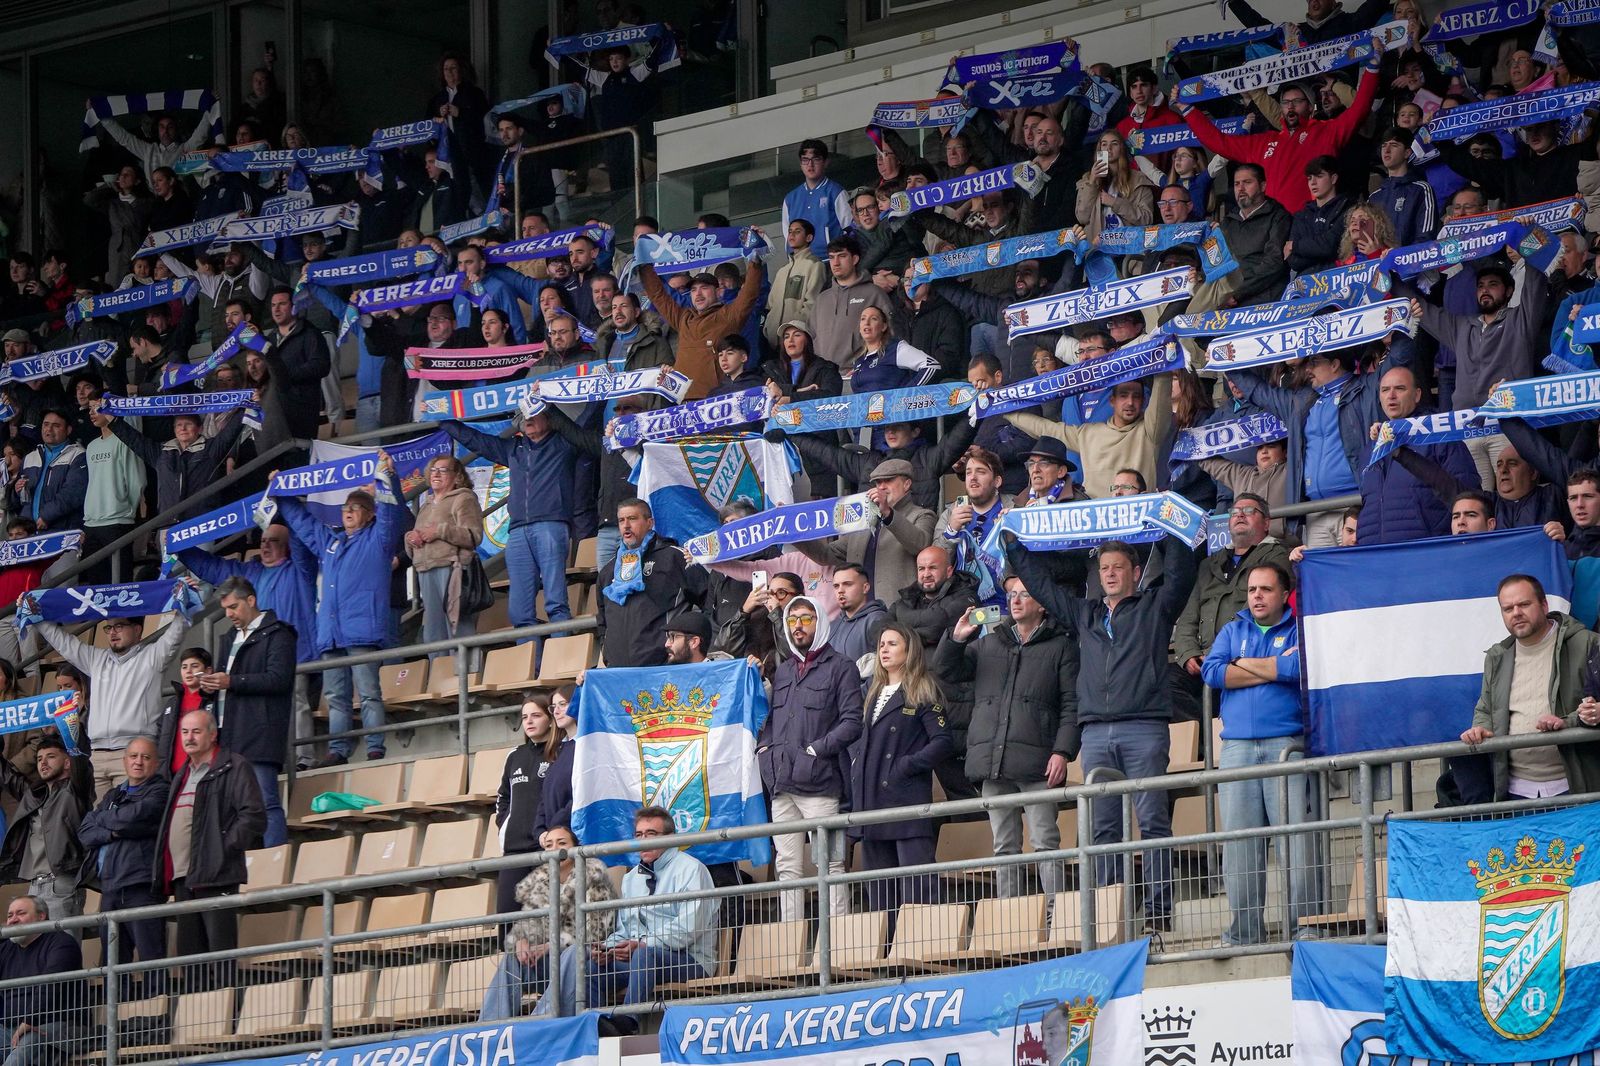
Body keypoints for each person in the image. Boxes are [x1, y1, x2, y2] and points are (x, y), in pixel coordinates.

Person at [1005, 537, 1199, 936]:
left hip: (1144, 727)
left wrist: (1168, 528)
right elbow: (1041, 586)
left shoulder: (1155, 606)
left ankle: (1159, 914)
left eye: (1117, 567)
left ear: (1135, 573)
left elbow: (1181, 573)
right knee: (1103, 830)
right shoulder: (1084, 614)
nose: (1109, 573)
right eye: (1104, 568)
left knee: (1152, 822)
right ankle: (1113, 913)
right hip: (1094, 734)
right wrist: (1013, 545)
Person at [935, 572, 1078, 900]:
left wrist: (1063, 752)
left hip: (1038, 762)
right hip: (993, 761)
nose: (1015, 600)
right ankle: (1009, 916)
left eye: (1024, 594)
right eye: (1011, 594)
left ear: (1042, 604)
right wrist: (957, 639)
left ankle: (1057, 916)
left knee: (1045, 842)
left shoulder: (1062, 647)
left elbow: (1072, 705)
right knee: (1004, 847)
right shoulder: (988, 643)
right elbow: (946, 671)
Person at [1202, 562, 1316, 945]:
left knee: (1294, 841)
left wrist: (1244, 665)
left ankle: (1301, 926)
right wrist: (1272, 669)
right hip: (1236, 749)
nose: (1257, 596)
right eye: (1252, 590)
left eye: (1265, 590)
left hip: (1287, 746)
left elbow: (1301, 667)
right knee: (1240, 844)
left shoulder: (1301, 628)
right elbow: (1213, 673)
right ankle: (1244, 932)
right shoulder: (1233, 629)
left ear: (1284, 594)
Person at [277, 454, 408, 766]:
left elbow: (393, 512)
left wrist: (387, 476)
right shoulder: (331, 542)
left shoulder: (379, 538)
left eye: (355, 508)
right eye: (346, 508)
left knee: (368, 693)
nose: (348, 512)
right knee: (336, 698)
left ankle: (375, 746)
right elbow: (304, 524)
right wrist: (280, 493)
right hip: (331, 635)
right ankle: (338, 750)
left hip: (361, 631)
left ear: (369, 514)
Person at [541, 806, 717, 1032]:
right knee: (589, 964)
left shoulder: (692, 870)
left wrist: (640, 944)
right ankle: (594, 1026)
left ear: (670, 838)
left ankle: (628, 1023)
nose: (644, 840)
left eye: (651, 834)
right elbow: (625, 929)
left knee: (645, 954)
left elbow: (689, 929)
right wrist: (608, 949)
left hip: (692, 960)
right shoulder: (631, 878)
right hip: (641, 960)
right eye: (639, 835)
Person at [176, 522, 319, 766]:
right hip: (255, 658)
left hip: (296, 653)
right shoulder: (250, 574)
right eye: (262, 541)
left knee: (297, 703)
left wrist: (283, 500)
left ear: (287, 546)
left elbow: (301, 537)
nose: (265, 545)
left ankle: (302, 759)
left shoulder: (300, 569)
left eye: (272, 541)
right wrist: (179, 546)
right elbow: (213, 567)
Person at [1175, 47, 1380, 212]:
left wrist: (1372, 68)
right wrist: (1188, 110)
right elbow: (1218, 141)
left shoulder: (1327, 131)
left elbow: (1360, 108)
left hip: (1314, 224)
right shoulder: (1264, 141)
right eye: (1285, 102)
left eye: (1297, 102)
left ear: (1310, 107)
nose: (1290, 107)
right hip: (1274, 231)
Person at [761, 596, 862, 922]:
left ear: (820, 621)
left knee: (830, 863)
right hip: (782, 783)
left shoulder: (841, 667)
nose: (798, 626)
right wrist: (765, 751)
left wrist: (815, 750)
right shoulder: (785, 670)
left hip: (821, 784)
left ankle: (840, 943)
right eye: (792, 620)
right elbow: (773, 720)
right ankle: (791, 944)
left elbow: (852, 722)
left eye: (805, 618)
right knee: (787, 866)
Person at [1407, 267, 1550, 489]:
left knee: (1514, 495)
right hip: (1467, 428)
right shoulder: (1462, 327)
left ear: (1509, 291)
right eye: (1481, 286)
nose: (1485, 291)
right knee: (1474, 501)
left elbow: (1536, 282)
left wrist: (1527, 241)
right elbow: (1423, 309)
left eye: (1492, 285)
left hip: (1508, 425)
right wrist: (1389, 277)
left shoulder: (1521, 320)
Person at [1460, 574, 1600, 801]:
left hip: (1576, 788)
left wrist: (1568, 722)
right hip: (1516, 793)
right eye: (1508, 608)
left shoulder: (1587, 643)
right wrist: (1481, 729)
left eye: (1524, 604)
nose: (1516, 613)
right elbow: (1485, 710)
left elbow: (1594, 710)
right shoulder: (1497, 656)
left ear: (1544, 605)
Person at [153, 710, 264, 990]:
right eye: (185, 732)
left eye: (196, 731)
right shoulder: (181, 774)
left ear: (213, 735)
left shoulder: (234, 766)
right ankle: (199, 1020)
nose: (189, 738)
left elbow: (253, 815)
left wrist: (222, 849)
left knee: (220, 952)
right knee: (190, 956)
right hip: (183, 876)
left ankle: (226, 1014)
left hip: (217, 873)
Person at [848, 621, 953, 911]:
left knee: (918, 889)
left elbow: (943, 741)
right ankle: (888, 952)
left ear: (909, 650)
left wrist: (907, 765)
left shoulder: (922, 688)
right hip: (872, 803)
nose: (884, 649)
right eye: (882, 644)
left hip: (905, 800)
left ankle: (922, 949)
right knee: (880, 893)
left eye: (892, 643)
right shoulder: (872, 690)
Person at [30, 609, 189, 800]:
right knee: (97, 825)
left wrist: (187, 599)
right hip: (96, 756)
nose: (113, 632)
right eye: (109, 628)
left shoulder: (153, 656)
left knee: (130, 823)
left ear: (138, 630)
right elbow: (63, 643)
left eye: (119, 626)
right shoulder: (96, 659)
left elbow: (177, 630)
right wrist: (36, 615)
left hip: (134, 753)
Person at [482, 823, 616, 1022]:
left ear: (575, 849)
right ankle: (490, 1025)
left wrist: (549, 945)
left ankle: (541, 1019)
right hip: (552, 959)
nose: (555, 849)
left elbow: (598, 931)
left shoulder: (595, 876)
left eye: (561, 843)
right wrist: (522, 943)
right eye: (549, 845)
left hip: (589, 957)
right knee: (512, 958)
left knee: (573, 952)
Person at [1172, 494, 1290, 717]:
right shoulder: (1209, 564)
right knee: (1163, 681)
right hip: (1203, 659)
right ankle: (1206, 741)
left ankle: (1214, 738)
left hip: (1244, 655)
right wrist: (1188, 654)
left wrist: (1218, 653)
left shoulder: (1276, 555)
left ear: (1266, 522)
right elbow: (1188, 617)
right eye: (1235, 512)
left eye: (1249, 511)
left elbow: (1259, 608)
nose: (1240, 516)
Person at [200, 576, 296, 848]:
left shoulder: (279, 634)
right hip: (228, 734)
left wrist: (231, 682)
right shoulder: (230, 636)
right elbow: (223, 679)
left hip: (260, 733)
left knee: (265, 802)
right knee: (233, 808)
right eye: (226, 609)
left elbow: (279, 679)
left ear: (251, 600)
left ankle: (274, 866)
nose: (229, 614)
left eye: (233, 607)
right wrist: (207, 685)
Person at [76, 737, 169, 995]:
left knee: (151, 954)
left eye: (146, 757)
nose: (139, 762)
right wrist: (114, 831)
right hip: (110, 887)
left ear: (156, 763)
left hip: (141, 884)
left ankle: (156, 1014)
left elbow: (134, 817)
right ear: (125, 760)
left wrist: (104, 822)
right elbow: (85, 831)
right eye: (134, 756)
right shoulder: (114, 794)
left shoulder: (160, 791)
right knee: (113, 961)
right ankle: (116, 1020)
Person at [1005, 373, 1173, 498]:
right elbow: (1044, 428)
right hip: (1093, 520)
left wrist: (1164, 371)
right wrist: (1002, 409)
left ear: (1144, 402)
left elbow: (1161, 400)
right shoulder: (1088, 433)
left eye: (1136, 397)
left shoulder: (1150, 430)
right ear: (1112, 401)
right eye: (1123, 395)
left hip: (1134, 519)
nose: (1130, 402)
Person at [595, 499, 705, 668]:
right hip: (619, 672)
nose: (626, 525)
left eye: (632, 518)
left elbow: (709, 598)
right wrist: (607, 652)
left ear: (649, 523)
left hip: (663, 668)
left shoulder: (674, 558)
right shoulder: (609, 570)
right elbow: (603, 621)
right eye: (621, 520)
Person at [638, 258, 765, 399]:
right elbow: (658, 295)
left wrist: (755, 261)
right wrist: (644, 266)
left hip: (716, 401)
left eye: (704, 288)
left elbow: (750, 293)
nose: (698, 294)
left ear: (718, 292)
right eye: (693, 290)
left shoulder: (729, 315)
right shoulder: (683, 318)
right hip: (683, 403)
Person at [0, 737, 87, 923]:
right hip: (34, 886)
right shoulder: (34, 795)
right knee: (34, 948)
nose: (43, 763)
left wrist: (70, 729)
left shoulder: (76, 790)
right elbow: (8, 777)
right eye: (39, 759)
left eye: (50, 757)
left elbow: (82, 760)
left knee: (62, 948)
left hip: (62, 883)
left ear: (67, 762)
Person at [406, 455, 486, 651]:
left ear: (457, 476)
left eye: (443, 470)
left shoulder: (463, 498)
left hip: (452, 568)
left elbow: (473, 536)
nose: (436, 474)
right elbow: (417, 537)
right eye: (433, 470)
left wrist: (440, 531)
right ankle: (439, 676)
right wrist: (410, 538)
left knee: (457, 627)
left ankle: (464, 676)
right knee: (433, 633)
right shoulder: (426, 504)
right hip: (425, 570)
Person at [0, 895, 89, 1063]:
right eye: (10, 915)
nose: (13, 920)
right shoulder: (6, 949)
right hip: (9, 1027)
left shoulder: (62, 943)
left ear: (41, 917)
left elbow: (50, 987)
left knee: (18, 1058)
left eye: (20, 913)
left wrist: (28, 1021)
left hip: (55, 1024)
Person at [494, 696, 560, 923]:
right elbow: (503, 797)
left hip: (545, 848)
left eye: (536, 715)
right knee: (507, 922)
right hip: (514, 850)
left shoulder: (561, 751)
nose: (529, 722)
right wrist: (504, 825)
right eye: (524, 717)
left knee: (546, 922)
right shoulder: (514, 755)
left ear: (550, 719)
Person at [808, 235, 896, 369]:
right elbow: (810, 338)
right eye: (831, 257)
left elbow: (891, 334)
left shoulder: (874, 293)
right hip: (824, 377)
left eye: (842, 256)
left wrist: (867, 366)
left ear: (855, 259)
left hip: (860, 374)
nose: (835, 263)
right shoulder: (821, 299)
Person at [1217, 163, 1291, 306]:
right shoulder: (1227, 222)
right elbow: (1218, 263)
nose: (1241, 189)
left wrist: (1237, 293)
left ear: (1263, 186)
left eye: (1247, 182)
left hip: (1266, 299)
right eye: (1237, 184)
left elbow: (1273, 263)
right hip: (1229, 298)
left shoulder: (1278, 216)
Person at [17, 411, 86, 533]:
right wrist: (16, 490)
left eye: (56, 425)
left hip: (61, 531)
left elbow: (73, 493)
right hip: (29, 531)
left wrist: (47, 516)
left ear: (68, 430)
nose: (49, 429)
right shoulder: (30, 457)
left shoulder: (78, 454)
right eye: (46, 424)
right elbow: (17, 497)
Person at [782, 140, 851, 257]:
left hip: (830, 262)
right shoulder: (790, 198)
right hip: (800, 263)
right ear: (800, 164)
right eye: (805, 160)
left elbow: (849, 229)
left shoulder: (836, 192)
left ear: (826, 162)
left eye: (816, 159)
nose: (810, 164)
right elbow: (787, 236)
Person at [764, 221, 828, 348]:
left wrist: (795, 329)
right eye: (790, 231)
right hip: (774, 343)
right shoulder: (782, 271)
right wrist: (768, 329)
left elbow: (812, 304)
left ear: (809, 237)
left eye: (797, 231)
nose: (792, 235)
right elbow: (771, 306)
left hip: (798, 341)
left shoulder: (815, 265)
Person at [1287, 156, 1352, 275]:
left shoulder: (1348, 209)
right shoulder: (1301, 216)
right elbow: (1293, 261)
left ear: (1333, 179)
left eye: (1319, 176)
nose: (1313, 182)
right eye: (1309, 178)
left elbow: (1332, 247)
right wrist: (1320, 250)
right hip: (1306, 285)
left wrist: (1295, 246)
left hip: (1338, 280)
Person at [829, 563, 889, 681]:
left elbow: (887, 668)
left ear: (865, 588)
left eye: (848, 584)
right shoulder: (832, 626)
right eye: (836, 586)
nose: (840, 590)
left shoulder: (877, 620)